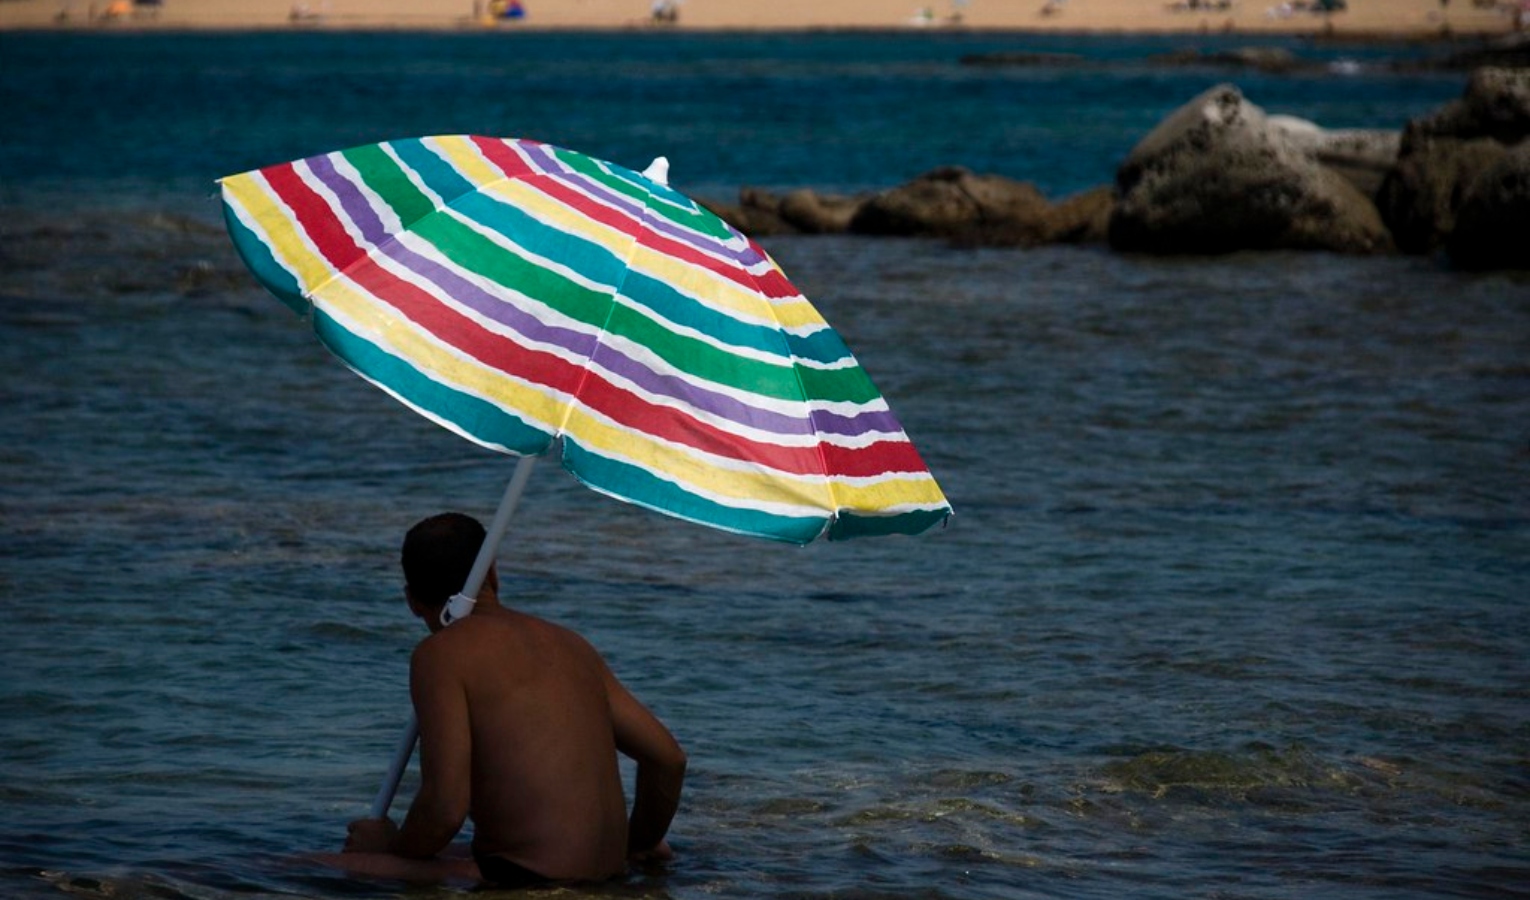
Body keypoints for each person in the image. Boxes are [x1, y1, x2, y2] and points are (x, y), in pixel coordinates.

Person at [339, 512, 686, 888]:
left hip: (530, 878)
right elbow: (668, 760)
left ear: (411, 600)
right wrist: (636, 845)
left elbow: (445, 810)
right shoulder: (568, 643)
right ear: (492, 574)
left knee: (296, 864)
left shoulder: (439, 654)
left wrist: (389, 845)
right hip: (609, 874)